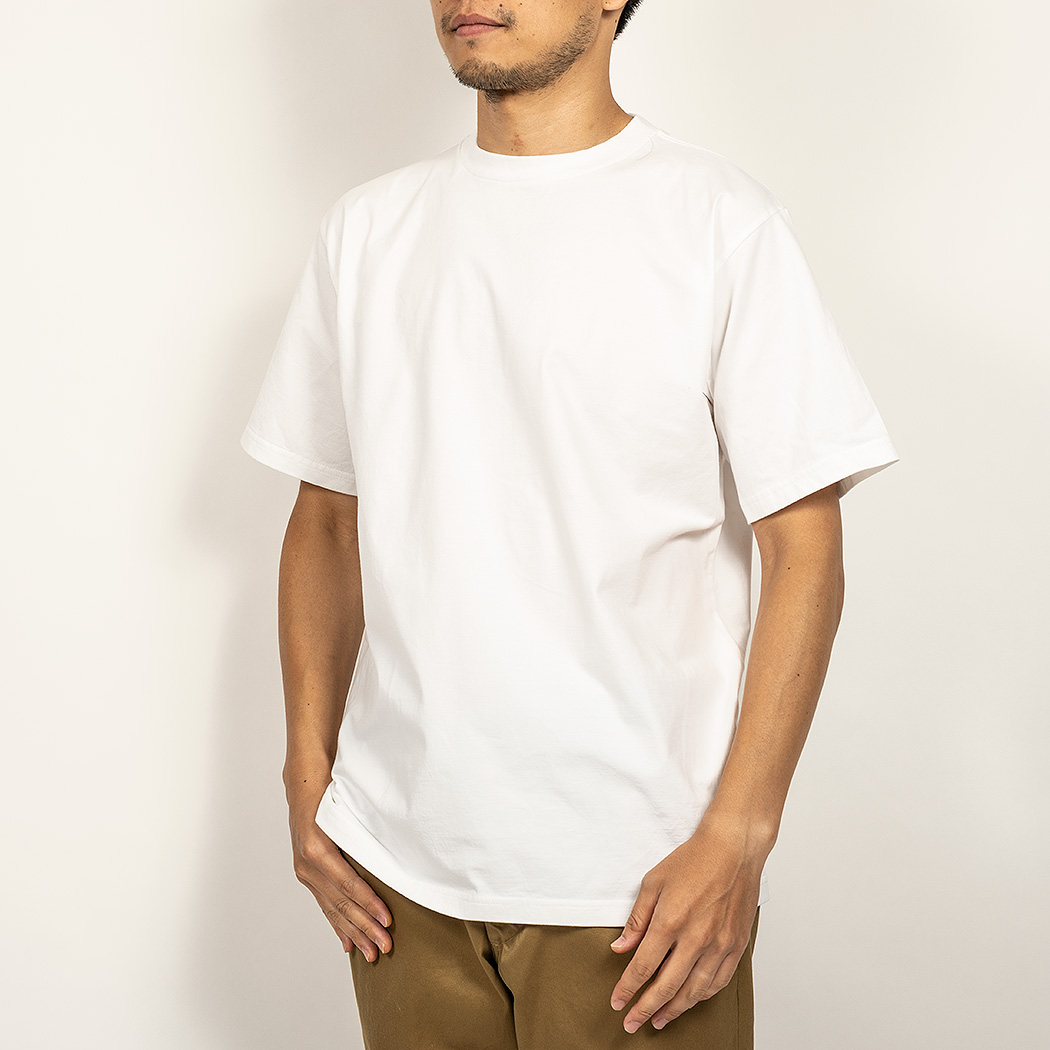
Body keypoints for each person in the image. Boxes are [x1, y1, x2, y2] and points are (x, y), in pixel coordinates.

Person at [240, 2, 899, 1046]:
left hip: (639, 887)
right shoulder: (367, 231)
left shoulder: (720, 222)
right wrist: (307, 778)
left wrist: (740, 833)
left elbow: (803, 543)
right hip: (398, 873)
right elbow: (325, 519)